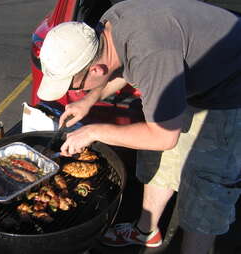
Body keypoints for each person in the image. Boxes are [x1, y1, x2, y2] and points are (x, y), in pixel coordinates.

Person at [36, 0, 241, 253]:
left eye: (74, 87)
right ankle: (147, 232)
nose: (72, 92)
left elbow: (164, 137)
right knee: (157, 157)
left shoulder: (151, 52)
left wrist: (94, 131)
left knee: (204, 190)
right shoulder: (109, 25)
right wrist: (88, 100)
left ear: (96, 69)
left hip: (230, 92)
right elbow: (119, 68)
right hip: (189, 77)